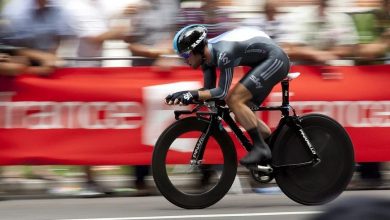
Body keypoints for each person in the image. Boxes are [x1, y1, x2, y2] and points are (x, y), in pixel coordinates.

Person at [166, 25, 290, 166]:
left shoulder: (224, 53)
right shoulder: (206, 60)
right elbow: (208, 91)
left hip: (275, 60)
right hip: (265, 61)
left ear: (197, 49)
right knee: (241, 114)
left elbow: (221, 92)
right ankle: (271, 146)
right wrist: (185, 95)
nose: (184, 60)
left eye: (186, 55)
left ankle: (260, 147)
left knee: (234, 100)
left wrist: (192, 94)